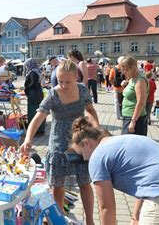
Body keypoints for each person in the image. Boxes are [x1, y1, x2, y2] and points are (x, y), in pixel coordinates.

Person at [70, 117, 159, 225]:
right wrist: (136, 215)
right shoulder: (123, 139)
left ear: (87, 143)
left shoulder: (97, 157)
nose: (84, 159)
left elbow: (106, 208)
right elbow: (146, 176)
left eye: (81, 154)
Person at [20, 59, 99, 225]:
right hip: (58, 145)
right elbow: (38, 117)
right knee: (57, 185)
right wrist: (28, 139)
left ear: (76, 77)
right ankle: (60, 220)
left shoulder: (83, 90)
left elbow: (90, 111)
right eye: (60, 81)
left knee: (85, 183)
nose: (63, 85)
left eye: (67, 81)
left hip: (80, 144)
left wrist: (96, 130)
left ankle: (90, 221)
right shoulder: (53, 94)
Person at [120, 56, 149, 136]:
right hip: (128, 116)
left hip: (135, 119)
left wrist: (133, 121)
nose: (123, 73)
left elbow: (141, 102)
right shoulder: (132, 78)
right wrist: (126, 85)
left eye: (125, 70)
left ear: (133, 67)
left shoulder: (140, 80)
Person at [24, 58, 45, 134]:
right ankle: (39, 129)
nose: (26, 67)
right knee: (37, 111)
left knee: (33, 112)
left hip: (33, 94)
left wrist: (26, 88)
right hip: (37, 92)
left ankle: (35, 130)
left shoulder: (32, 72)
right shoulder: (36, 71)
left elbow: (32, 83)